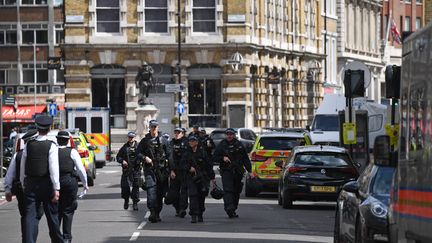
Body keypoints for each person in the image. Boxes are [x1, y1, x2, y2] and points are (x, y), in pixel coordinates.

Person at [20, 115, 64, 243]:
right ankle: (57, 241)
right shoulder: (51, 146)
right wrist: (57, 188)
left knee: (30, 216)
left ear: (37, 127)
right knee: (52, 217)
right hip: (46, 184)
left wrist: (23, 183)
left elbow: (23, 166)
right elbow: (53, 168)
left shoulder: (28, 145)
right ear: (49, 129)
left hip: (30, 184)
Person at [4, 130, 43, 242]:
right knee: (35, 216)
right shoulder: (40, 153)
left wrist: (8, 190)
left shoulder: (18, 154)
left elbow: (10, 174)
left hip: (21, 190)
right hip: (37, 189)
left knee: (25, 215)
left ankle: (26, 238)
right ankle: (30, 239)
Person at [213, 128, 254, 218]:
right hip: (226, 171)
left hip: (238, 171)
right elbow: (214, 157)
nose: (229, 136)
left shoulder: (239, 144)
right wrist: (222, 158)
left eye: (231, 134)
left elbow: (245, 159)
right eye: (227, 134)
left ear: (234, 135)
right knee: (228, 190)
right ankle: (229, 208)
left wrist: (250, 171)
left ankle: (233, 209)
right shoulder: (222, 145)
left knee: (236, 191)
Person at [56, 131, 88, 243]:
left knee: (56, 211)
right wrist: (85, 185)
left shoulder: (52, 151)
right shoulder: (72, 152)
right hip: (69, 181)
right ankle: (66, 238)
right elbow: (80, 169)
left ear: (57, 139)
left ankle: (55, 237)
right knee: (68, 211)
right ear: (68, 140)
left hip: (54, 183)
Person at [136, 120, 171, 223]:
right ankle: (152, 212)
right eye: (152, 126)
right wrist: (145, 157)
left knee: (160, 194)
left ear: (158, 127)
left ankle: (157, 213)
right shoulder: (145, 141)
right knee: (151, 191)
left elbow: (170, 154)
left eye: (155, 126)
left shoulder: (164, 140)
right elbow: (138, 153)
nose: (154, 128)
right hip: (150, 170)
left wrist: (172, 170)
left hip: (162, 170)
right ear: (149, 128)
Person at [182, 135, 215, 223]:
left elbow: (208, 165)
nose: (191, 142)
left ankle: (200, 213)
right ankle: (193, 215)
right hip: (191, 177)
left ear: (197, 142)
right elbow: (182, 165)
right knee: (193, 195)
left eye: (193, 141)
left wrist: (212, 177)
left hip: (202, 177)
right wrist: (189, 168)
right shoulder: (186, 153)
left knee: (201, 195)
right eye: (190, 141)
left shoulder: (202, 152)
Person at [116, 131, 140, 210]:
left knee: (136, 187)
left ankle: (135, 203)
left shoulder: (139, 147)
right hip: (126, 170)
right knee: (125, 186)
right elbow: (118, 157)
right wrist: (122, 161)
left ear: (135, 138)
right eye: (129, 137)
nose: (130, 139)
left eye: (132, 137)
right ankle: (126, 200)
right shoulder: (124, 147)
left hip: (136, 169)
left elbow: (143, 155)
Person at [168, 127, 189, 218]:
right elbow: (169, 158)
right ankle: (177, 208)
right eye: (175, 132)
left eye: (179, 132)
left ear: (182, 133)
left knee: (184, 191)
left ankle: (182, 209)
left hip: (185, 171)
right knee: (174, 192)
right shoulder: (171, 143)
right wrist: (171, 170)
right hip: (175, 171)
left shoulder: (187, 142)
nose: (177, 134)